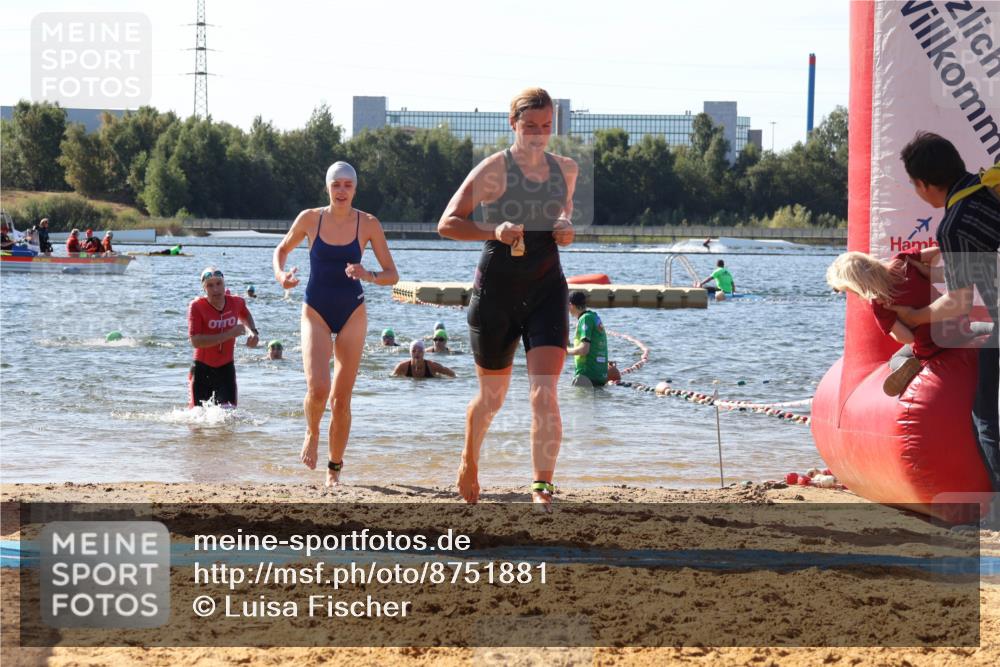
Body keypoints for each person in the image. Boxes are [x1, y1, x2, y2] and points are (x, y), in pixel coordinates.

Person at [438, 87, 578, 507]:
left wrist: (566, 229)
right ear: (513, 124)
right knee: (492, 398)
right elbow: (447, 223)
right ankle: (468, 460)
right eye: (530, 126)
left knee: (544, 391)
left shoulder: (566, 169)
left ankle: (541, 486)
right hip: (496, 293)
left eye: (546, 127)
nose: (538, 135)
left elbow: (562, 215)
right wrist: (492, 230)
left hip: (546, 291)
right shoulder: (493, 169)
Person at [273, 160, 400, 486]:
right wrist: (281, 276)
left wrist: (367, 275)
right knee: (318, 389)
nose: (342, 190)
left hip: (352, 312)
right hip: (315, 309)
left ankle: (334, 469)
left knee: (341, 400)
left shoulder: (368, 224)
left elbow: (391, 274)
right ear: (327, 187)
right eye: (336, 184)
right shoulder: (310, 219)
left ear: (355, 189)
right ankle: (312, 432)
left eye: (348, 185)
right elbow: (281, 249)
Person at [892, 132, 1000, 490]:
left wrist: (913, 315)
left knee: (986, 417)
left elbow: (958, 302)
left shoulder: (953, 225)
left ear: (923, 184)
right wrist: (940, 254)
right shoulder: (989, 185)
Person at [826, 248, 990, 396]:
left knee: (895, 358)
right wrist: (924, 269)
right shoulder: (903, 261)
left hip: (932, 347)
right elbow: (937, 251)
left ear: (857, 287)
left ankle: (905, 365)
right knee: (974, 326)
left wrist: (899, 324)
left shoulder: (880, 305)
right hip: (958, 328)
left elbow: (907, 338)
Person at [187, 266, 260, 407]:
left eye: (219, 283)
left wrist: (253, 332)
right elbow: (195, 341)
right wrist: (229, 334)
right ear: (204, 289)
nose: (215, 289)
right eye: (210, 285)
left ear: (224, 284)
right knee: (197, 419)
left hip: (226, 369)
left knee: (229, 417)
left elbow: (245, 314)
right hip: (202, 369)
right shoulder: (196, 306)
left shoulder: (237, 302)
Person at [566, 291, 611, 387]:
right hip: (600, 376)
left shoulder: (585, 319)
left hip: (586, 376)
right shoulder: (594, 317)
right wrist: (568, 345)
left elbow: (584, 350)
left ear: (571, 305)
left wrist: (565, 351)